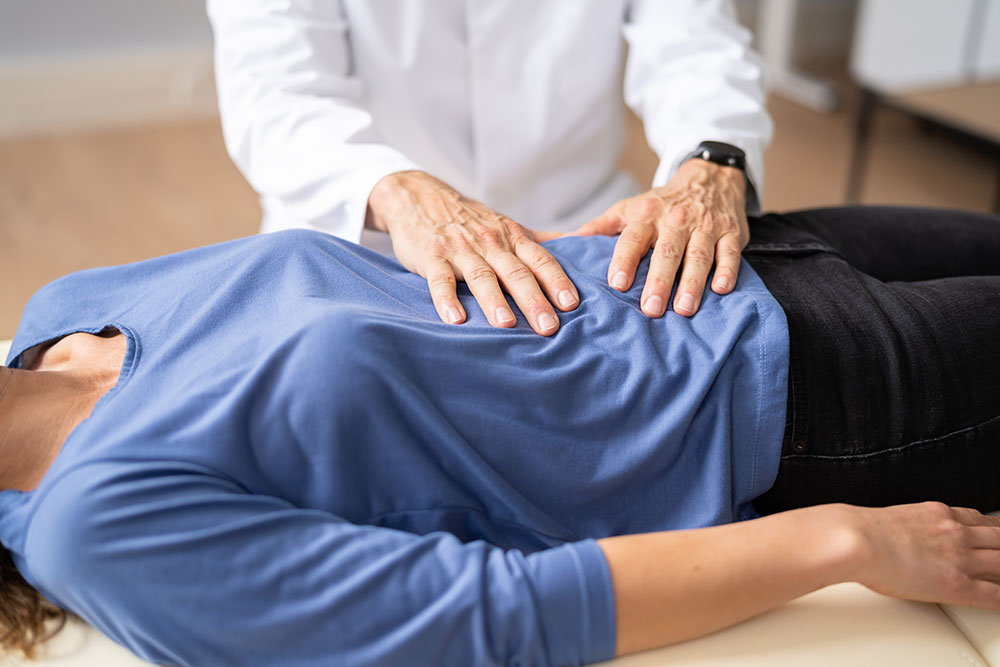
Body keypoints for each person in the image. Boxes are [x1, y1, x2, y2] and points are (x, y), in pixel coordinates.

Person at [1, 205, 999, 666]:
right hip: (797, 404)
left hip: (714, 256)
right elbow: (487, 615)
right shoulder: (95, 524)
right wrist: (844, 539)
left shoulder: (61, 310)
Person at [207, 0, 773, 334]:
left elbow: (698, 46)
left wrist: (714, 161)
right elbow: (276, 94)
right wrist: (401, 197)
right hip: (362, 241)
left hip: (585, 238)